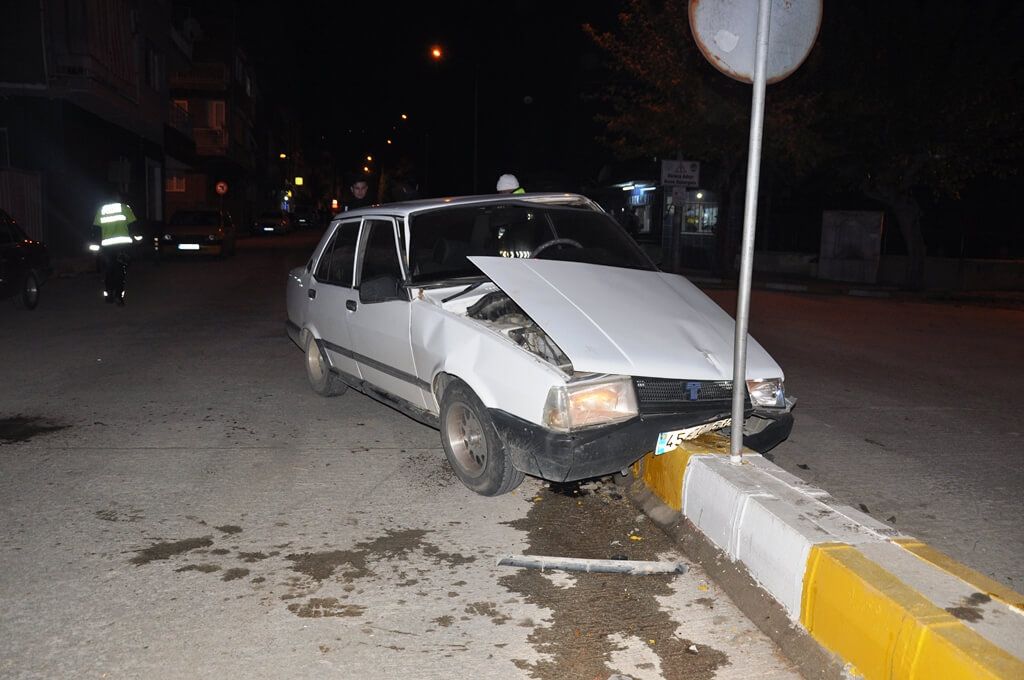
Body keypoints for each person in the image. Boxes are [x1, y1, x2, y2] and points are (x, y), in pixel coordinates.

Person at [90, 195, 137, 305]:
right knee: (120, 270)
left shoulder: (101, 209)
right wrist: (136, 239)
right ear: (119, 198)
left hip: (107, 245)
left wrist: (96, 244)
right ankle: (118, 296)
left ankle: (109, 294)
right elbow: (133, 225)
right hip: (122, 244)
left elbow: (96, 228)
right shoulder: (125, 208)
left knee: (109, 270)